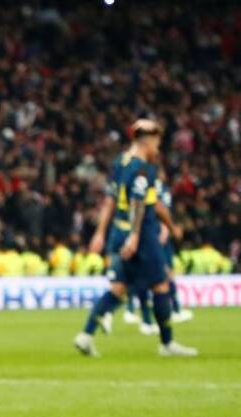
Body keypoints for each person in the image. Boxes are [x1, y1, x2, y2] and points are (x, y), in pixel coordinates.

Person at [76, 119, 195, 357]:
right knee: (161, 285)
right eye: (157, 142)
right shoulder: (144, 168)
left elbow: (110, 200)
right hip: (141, 235)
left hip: (118, 232)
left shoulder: (120, 162)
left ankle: (85, 335)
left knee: (118, 288)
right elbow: (141, 203)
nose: (158, 148)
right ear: (148, 140)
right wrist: (142, 234)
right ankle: (167, 343)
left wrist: (100, 233)